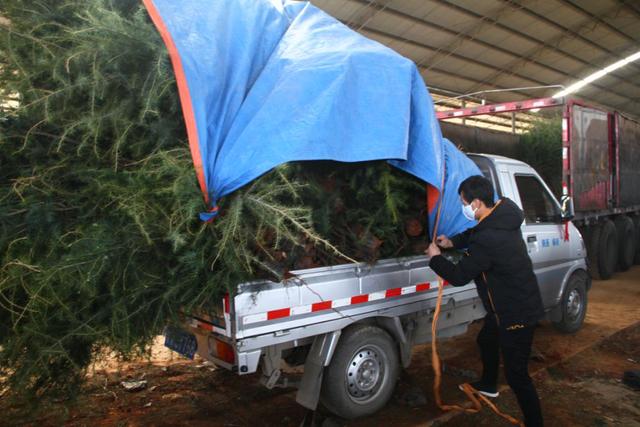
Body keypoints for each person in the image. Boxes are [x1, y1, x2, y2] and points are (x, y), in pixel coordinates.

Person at [426, 175, 544, 427]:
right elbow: (477, 232)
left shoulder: (489, 238)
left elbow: (459, 276)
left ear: (476, 203)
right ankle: (489, 384)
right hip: (508, 305)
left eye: (464, 203)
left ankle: (535, 423)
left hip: (515, 313)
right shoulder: (501, 214)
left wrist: (435, 258)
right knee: (487, 338)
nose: (463, 207)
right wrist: (453, 242)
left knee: (517, 376)